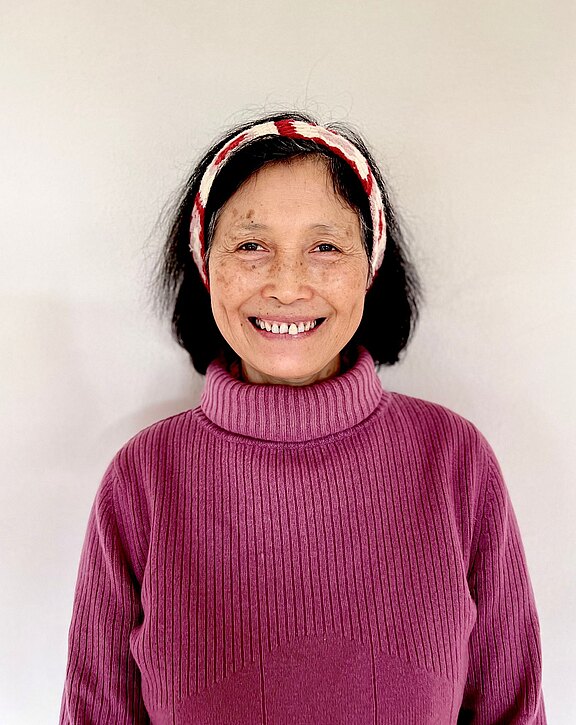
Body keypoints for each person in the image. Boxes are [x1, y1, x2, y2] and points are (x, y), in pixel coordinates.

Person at [60, 112, 546, 724]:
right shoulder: (143, 479)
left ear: (369, 268)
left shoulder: (453, 460)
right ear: (206, 265)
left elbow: (512, 708)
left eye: (324, 247)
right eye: (251, 246)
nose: (287, 287)